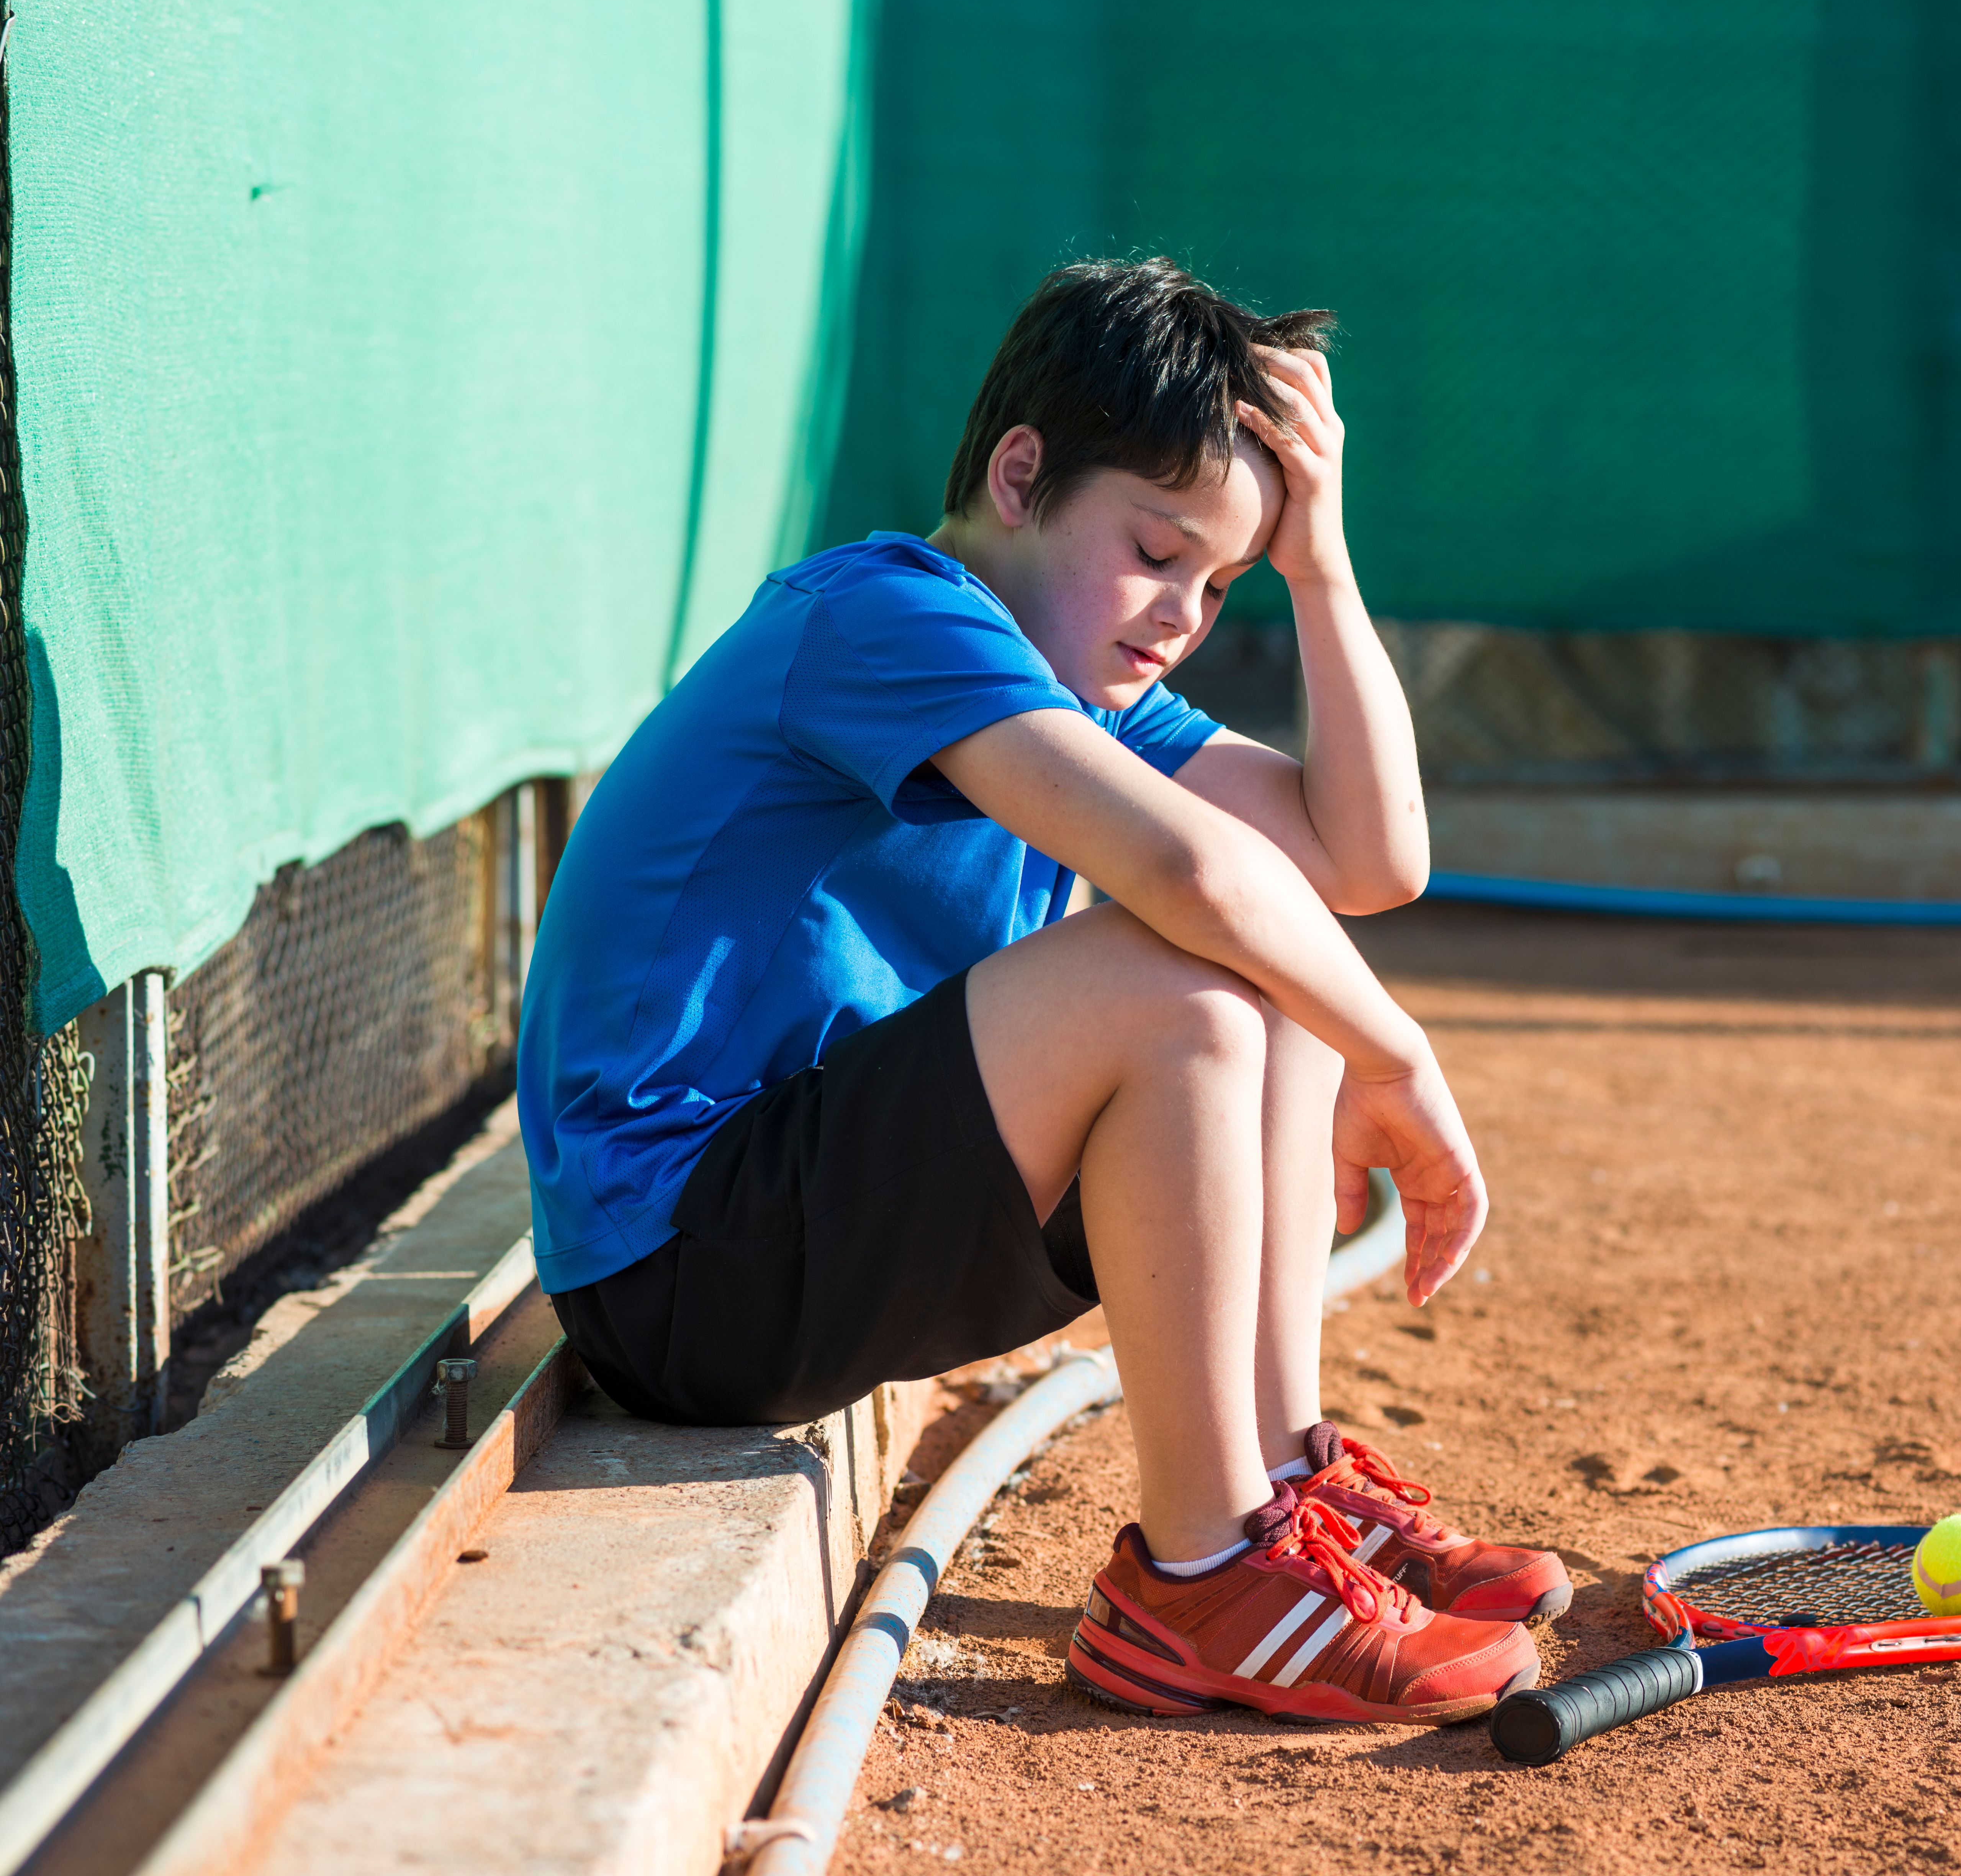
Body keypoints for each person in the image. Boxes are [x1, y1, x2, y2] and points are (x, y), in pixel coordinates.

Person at [517, 258, 1564, 1725]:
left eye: (1219, 583)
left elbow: (1366, 858)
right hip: (681, 1271)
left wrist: (1322, 563)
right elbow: (1193, 877)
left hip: (810, 1230)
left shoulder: (1092, 693)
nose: (1182, 613)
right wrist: (1398, 1056)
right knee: (1192, 976)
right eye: (1156, 550)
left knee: (1273, 963)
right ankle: (1198, 1579)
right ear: (1021, 475)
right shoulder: (888, 611)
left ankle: (1279, 1488)